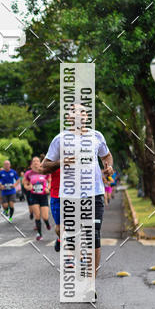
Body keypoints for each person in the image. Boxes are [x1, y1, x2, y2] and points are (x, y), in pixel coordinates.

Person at [42, 104, 113, 292]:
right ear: (69, 117)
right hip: (70, 196)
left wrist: (108, 166)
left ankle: (90, 284)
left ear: (87, 116)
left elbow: (107, 156)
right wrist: (61, 162)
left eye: (83, 111)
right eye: (75, 111)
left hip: (95, 193)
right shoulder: (60, 139)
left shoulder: (97, 136)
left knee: (93, 236)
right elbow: (44, 167)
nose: (79, 114)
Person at [23, 157, 52, 241]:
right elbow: (25, 183)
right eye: (34, 161)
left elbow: (50, 181)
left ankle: (47, 223)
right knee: (37, 215)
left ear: (40, 163)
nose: (36, 162)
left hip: (43, 196)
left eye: (37, 161)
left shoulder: (45, 172)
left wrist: (48, 188)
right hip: (34, 195)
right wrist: (28, 187)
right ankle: (39, 233)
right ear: (32, 164)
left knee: (45, 217)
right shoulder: (29, 173)